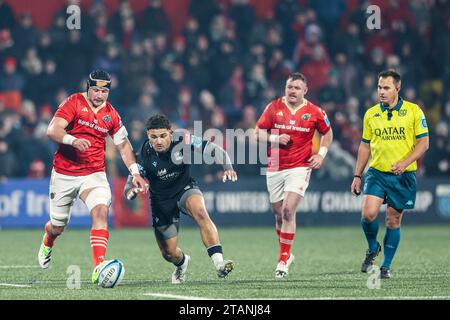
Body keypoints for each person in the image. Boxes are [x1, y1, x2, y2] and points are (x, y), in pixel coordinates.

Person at [37, 70, 148, 284]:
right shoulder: (73, 102)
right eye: (96, 89)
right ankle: (48, 241)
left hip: (94, 173)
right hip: (64, 173)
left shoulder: (112, 115)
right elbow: (52, 130)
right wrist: (72, 140)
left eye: (104, 91)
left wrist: (135, 172)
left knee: (100, 210)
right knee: (57, 226)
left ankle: (98, 267)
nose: (99, 94)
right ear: (88, 88)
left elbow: (123, 145)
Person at [124, 114, 237, 284]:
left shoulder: (184, 139)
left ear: (170, 133)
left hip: (185, 188)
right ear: (148, 135)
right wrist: (131, 192)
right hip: (161, 201)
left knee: (200, 212)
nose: (159, 141)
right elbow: (128, 185)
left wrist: (227, 166)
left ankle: (219, 263)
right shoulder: (143, 156)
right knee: (169, 253)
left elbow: (213, 149)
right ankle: (182, 263)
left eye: (163, 136)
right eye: (154, 137)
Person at [351, 70, 429, 279]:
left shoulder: (414, 112)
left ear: (397, 88)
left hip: (403, 176)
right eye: (379, 87)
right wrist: (357, 175)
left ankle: (385, 266)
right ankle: (372, 247)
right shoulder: (371, 114)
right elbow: (365, 146)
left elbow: (424, 143)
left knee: (393, 221)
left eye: (386, 88)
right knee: (368, 215)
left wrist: (405, 163)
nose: (382, 92)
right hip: (377, 173)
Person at [255, 72, 333, 278]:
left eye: (297, 88)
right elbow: (258, 132)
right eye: (290, 87)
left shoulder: (315, 112)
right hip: (275, 167)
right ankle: (286, 253)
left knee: (289, 211)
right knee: (278, 214)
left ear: (305, 91)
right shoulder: (273, 107)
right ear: (285, 88)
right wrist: (274, 138)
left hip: (300, 166)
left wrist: (321, 154)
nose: (292, 91)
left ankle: (283, 260)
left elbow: (327, 132)